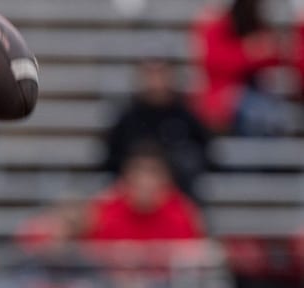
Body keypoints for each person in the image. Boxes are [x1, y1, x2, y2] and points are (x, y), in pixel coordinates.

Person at [103, 59, 211, 200]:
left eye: (160, 75)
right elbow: (111, 158)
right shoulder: (127, 118)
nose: (156, 82)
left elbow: (204, 150)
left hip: (177, 192)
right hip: (129, 196)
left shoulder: (186, 116)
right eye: (151, 75)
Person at [190, 0, 290, 135]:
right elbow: (215, 62)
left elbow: (273, 56)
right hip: (224, 98)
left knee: (269, 114)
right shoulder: (215, 24)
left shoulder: (255, 23)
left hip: (258, 93)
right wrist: (248, 51)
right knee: (259, 113)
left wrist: (256, 50)